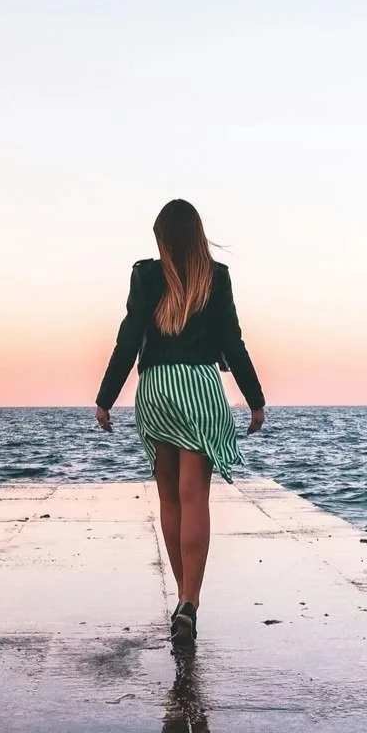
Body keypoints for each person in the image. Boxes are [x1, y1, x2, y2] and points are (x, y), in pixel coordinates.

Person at [95, 199, 266, 643]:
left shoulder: (145, 275)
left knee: (169, 500)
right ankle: (191, 600)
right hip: (200, 390)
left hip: (156, 390)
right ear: (197, 235)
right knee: (195, 499)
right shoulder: (218, 276)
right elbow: (233, 339)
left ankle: (180, 597)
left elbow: (129, 337)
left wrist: (106, 397)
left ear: (162, 239)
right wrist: (255, 399)